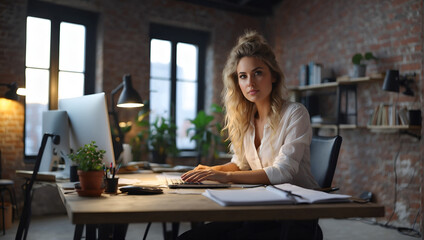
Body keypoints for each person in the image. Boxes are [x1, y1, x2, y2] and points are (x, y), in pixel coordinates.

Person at [178, 30, 322, 240]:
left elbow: (283, 172)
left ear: (273, 75)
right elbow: (240, 164)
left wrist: (223, 176)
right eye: (242, 76)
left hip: (293, 216)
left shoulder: (295, 113)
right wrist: (211, 171)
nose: (250, 83)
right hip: (259, 208)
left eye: (258, 73)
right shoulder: (246, 118)